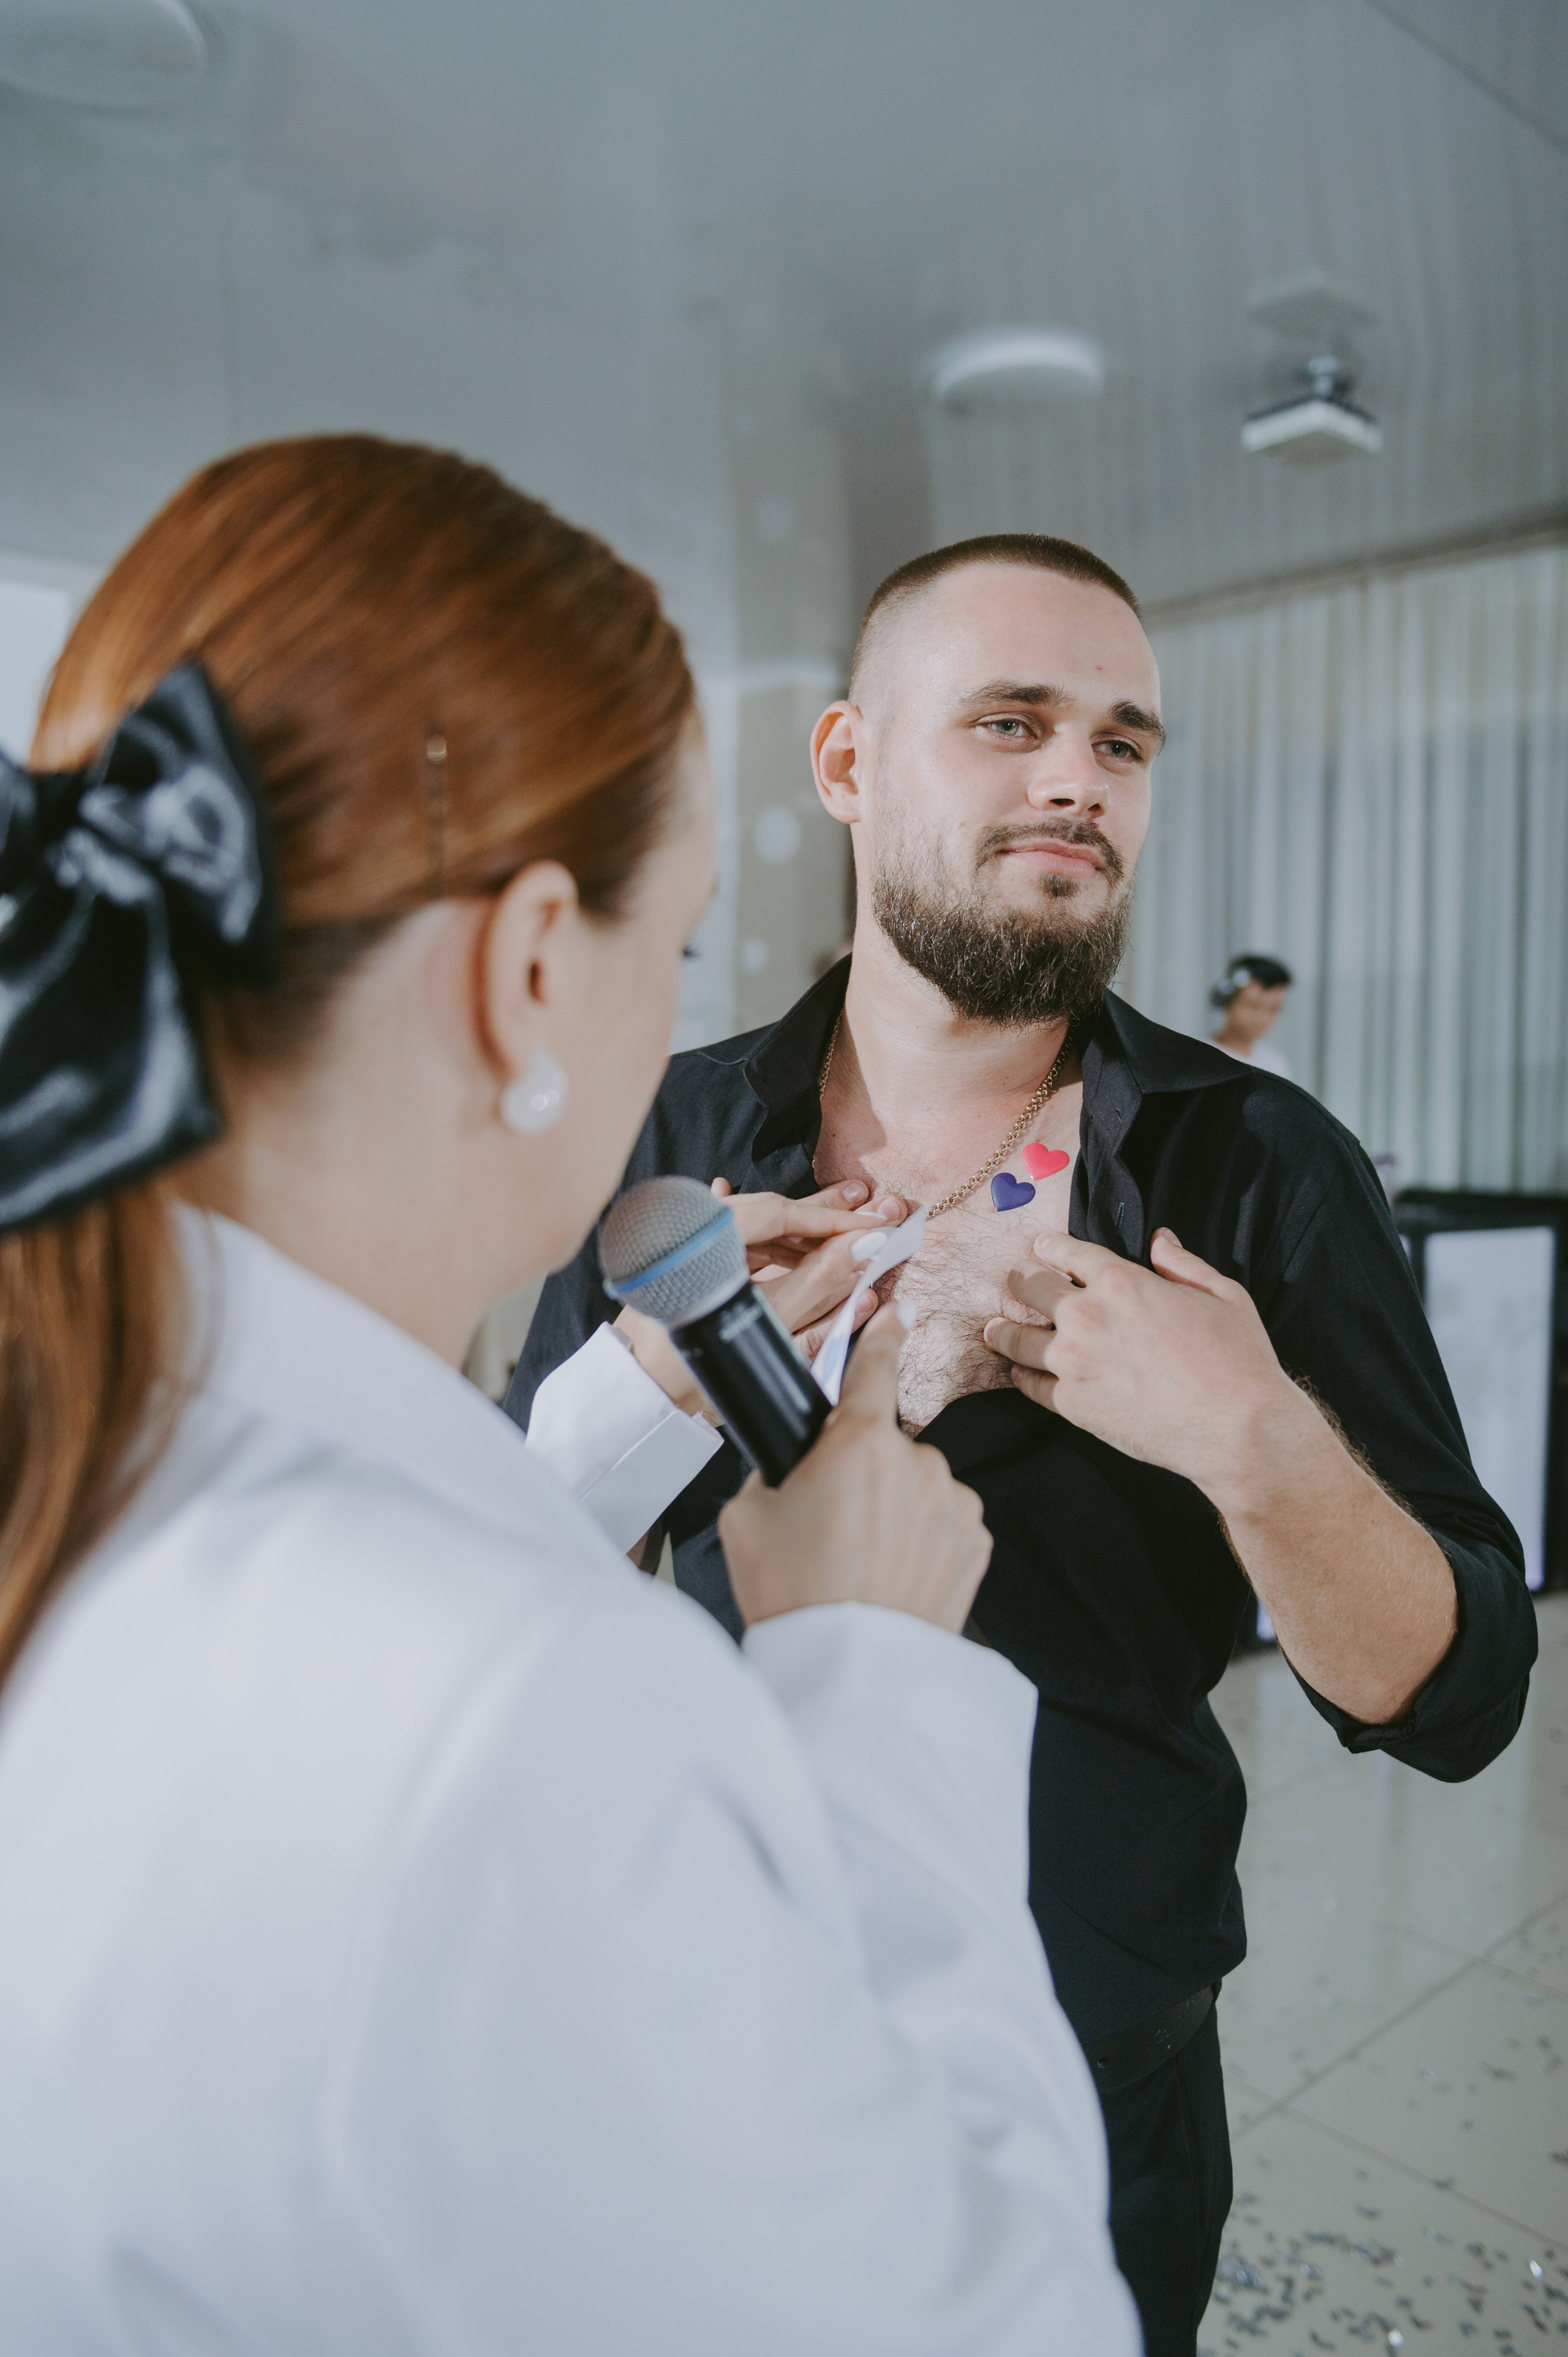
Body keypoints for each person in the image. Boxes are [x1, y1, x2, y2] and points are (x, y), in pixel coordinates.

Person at [0, 451, 1141, 2353]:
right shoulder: (522, 1715)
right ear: (534, 968)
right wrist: (868, 1681)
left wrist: (632, 1399)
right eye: (673, 939)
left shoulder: (97, 1437)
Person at [509, 530, 1538, 2357]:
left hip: (1092, 2043)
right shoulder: (678, 1126)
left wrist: (1255, 1441)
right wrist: (654, 1387)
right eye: (1009, 720)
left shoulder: (1253, 1164)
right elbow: (520, 1570)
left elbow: (1455, 1700)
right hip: (702, 2002)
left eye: (1122, 742)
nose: (1078, 777)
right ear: (845, 763)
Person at [1210, 953, 1293, 1077]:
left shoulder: (1276, 1064)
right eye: (1253, 1005)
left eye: (1273, 1008)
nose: (1262, 1018)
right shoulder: (1202, 1060)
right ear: (1226, 1002)